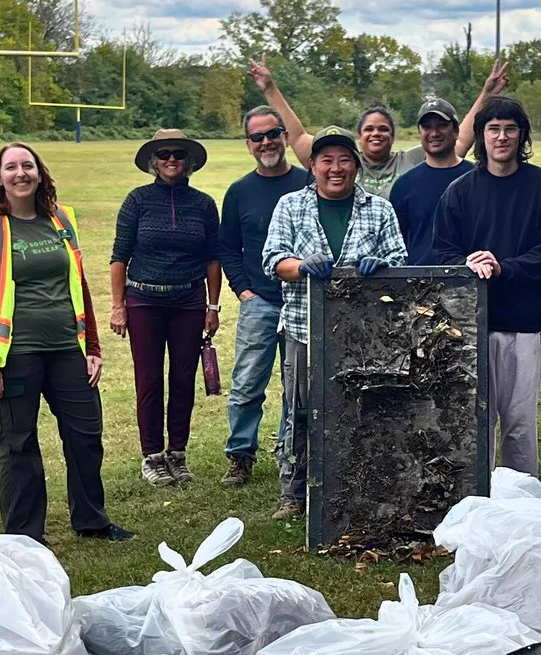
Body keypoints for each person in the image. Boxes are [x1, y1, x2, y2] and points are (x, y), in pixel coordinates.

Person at [0, 143, 131, 544]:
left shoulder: (60, 219)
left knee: (85, 437)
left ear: (40, 173)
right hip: (16, 353)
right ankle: (24, 536)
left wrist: (93, 346)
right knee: (19, 445)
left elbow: (79, 283)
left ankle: (92, 520)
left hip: (66, 349)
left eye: (28, 166)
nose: (21, 174)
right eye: (11, 167)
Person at [261, 126, 408, 522]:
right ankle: (294, 492)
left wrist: (383, 270)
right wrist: (299, 267)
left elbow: (400, 261)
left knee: (363, 409)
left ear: (356, 165)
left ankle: (357, 485)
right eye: (326, 160)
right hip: (303, 327)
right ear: (313, 166)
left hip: (364, 334)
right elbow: (272, 259)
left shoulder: (379, 209)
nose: (336, 168)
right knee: (301, 410)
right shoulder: (290, 206)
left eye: (344, 159)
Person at [431, 96, 541, 476]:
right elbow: (442, 253)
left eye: (510, 128)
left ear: (521, 134)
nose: (502, 137)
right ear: (480, 136)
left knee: (519, 423)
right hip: (471, 325)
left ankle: (520, 499)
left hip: (522, 322)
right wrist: (467, 265)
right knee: (476, 422)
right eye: (493, 129)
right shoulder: (459, 192)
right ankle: (478, 499)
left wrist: (502, 268)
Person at [108, 129, 221, 487]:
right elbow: (119, 256)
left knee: (184, 378)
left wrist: (213, 305)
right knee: (149, 379)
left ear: (189, 162)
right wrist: (117, 306)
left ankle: (178, 454)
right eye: (164, 154)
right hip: (144, 300)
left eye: (178, 154)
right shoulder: (137, 200)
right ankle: (153, 456)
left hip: (188, 300)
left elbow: (212, 259)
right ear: (154, 162)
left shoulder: (203, 204)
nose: (172, 160)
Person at [216, 104, 312, 487]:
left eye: (273, 133)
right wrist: (243, 290)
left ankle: (290, 453)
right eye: (258, 137)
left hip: (302, 300)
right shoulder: (239, 192)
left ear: (285, 137)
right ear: (248, 145)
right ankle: (240, 454)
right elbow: (227, 246)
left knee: (297, 386)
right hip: (261, 301)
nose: (267, 142)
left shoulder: (308, 183)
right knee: (247, 383)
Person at [388, 95, 473, 262]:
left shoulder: (477, 178)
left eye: (442, 126)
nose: (434, 133)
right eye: (427, 127)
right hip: (420, 280)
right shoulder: (404, 185)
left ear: (455, 131)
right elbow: (397, 244)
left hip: (470, 276)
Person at [353, 104, 406, 195]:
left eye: (383, 129)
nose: (376, 133)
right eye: (369, 129)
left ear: (392, 137)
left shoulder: (408, 159)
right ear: (360, 137)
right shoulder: (350, 164)